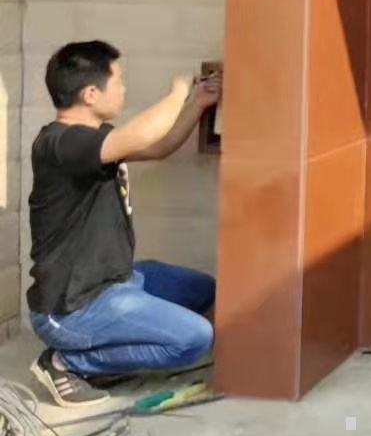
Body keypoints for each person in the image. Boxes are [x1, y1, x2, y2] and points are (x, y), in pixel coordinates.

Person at [26, 41, 223, 407]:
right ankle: (66, 363)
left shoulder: (95, 141)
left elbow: (159, 146)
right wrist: (178, 91)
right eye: (118, 81)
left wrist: (198, 101)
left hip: (116, 282)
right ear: (90, 93)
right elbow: (142, 134)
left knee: (205, 290)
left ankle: (107, 353)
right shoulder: (61, 144)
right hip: (72, 308)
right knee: (194, 339)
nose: (123, 89)